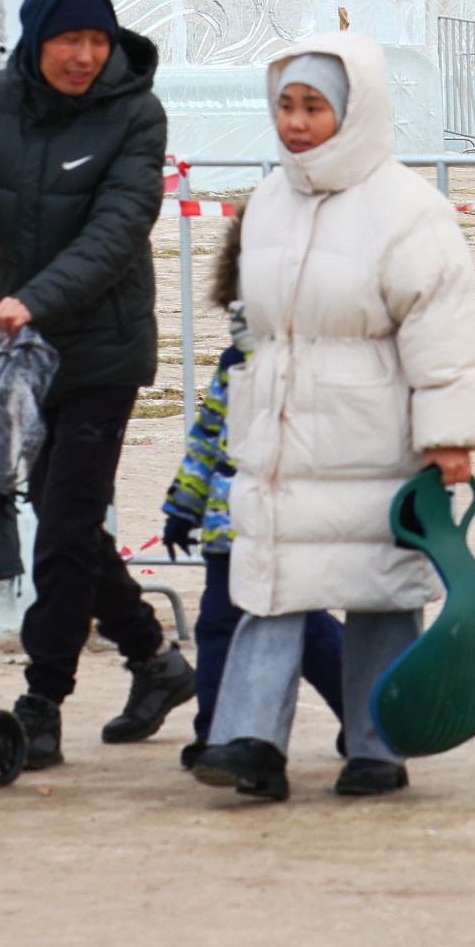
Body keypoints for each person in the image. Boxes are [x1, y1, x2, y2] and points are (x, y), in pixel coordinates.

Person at [193, 33, 475, 802]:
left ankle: (376, 746)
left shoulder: (409, 211)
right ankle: (250, 740)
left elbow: (443, 329)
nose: (295, 123)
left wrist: (449, 437)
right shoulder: (267, 202)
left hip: (373, 432)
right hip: (282, 431)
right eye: (286, 105)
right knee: (268, 582)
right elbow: (250, 320)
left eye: (314, 107)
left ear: (354, 112)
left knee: (380, 593)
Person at [0, 0, 193, 768]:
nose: (85, 56)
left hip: (102, 346)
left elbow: (117, 229)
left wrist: (33, 298)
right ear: (37, 40)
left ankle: (43, 700)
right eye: (71, 40)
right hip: (27, 352)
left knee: (66, 524)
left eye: (98, 41)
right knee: (67, 521)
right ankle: (157, 663)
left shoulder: (137, 113)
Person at [158, 215, 349, 770]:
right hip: (228, 525)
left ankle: (367, 713)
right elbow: (209, 437)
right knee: (218, 623)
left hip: (293, 519)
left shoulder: (323, 354)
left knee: (306, 627)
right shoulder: (235, 357)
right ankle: (217, 733)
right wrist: (183, 506)